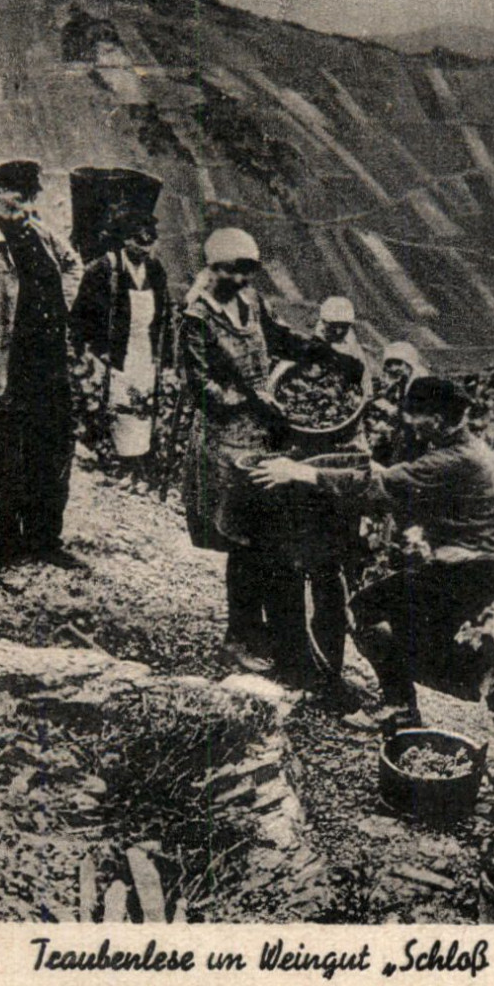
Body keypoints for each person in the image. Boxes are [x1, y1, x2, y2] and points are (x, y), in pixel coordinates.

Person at [250, 376, 494, 731]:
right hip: (480, 563)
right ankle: (407, 702)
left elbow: (379, 488)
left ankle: (403, 707)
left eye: (414, 415)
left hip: (474, 568)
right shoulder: (469, 447)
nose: (408, 422)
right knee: (398, 618)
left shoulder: (454, 459)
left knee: (365, 612)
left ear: (437, 420)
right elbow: (402, 484)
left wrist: (301, 472)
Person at [180, 227, 339, 675]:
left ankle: (259, 630)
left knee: (264, 539)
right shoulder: (196, 316)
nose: (239, 279)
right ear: (212, 267)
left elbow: (279, 337)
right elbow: (202, 388)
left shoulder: (251, 302)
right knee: (244, 540)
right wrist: (252, 400)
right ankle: (238, 637)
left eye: (246, 271)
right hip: (225, 440)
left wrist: (319, 352)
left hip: (262, 433)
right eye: (230, 270)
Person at [0, 159, 80, 566]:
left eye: (29, 199)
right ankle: (4, 544)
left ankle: (45, 539)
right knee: (6, 453)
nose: (23, 208)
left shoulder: (40, 233)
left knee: (52, 447)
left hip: (50, 362)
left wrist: (63, 308)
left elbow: (73, 264)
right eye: (16, 198)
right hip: (10, 365)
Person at [71, 208, 172, 483]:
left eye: (148, 243)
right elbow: (81, 314)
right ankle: (116, 463)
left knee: (143, 406)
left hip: (145, 349)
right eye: (137, 242)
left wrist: (166, 357)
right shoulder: (104, 269)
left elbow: (165, 314)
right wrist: (92, 352)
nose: (143, 248)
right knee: (117, 405)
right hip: (114, 352)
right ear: (124, 240)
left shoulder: (155, 270)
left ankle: (139, 465)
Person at [365, 340, 427, 466]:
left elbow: (413, 413)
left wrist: (393, 412)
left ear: (409, 362)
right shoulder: (403, 381)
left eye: (398, 363)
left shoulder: (421, 382)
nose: (393, 368)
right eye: (390, 364)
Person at [314, 296, 375, 387]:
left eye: (344, 326)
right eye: (334, 325)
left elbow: (365, 381)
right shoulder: (315, 341)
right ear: (324, 322)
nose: (339, 331)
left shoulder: (353, 349)